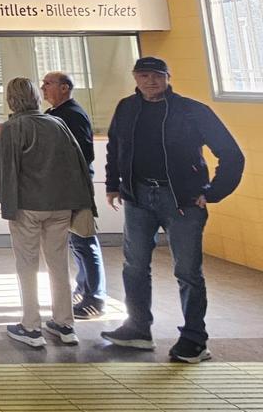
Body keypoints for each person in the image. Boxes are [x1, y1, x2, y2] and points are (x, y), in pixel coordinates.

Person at [102, 56, 245, 364]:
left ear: (168, 77)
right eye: (143, 76)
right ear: (135, 78)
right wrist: (113, 184)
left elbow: (232, 154)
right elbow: (116, 147)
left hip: (182, 201)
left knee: (187, 271)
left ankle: (195, 338)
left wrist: (213, 192)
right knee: (134, 266)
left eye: (156, 76)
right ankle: (138, 328)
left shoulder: (192, 111)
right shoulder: (127, 108)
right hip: (138, 198)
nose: (150, 81)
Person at [0, 78, 96, 349]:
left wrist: (0, 201)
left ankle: (31, 325)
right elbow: (78, 163)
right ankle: (64, 323)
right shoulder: (57, 124)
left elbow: (1, 168)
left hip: (27, 206)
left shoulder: (13, 128)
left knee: (27, 265)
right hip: (61, 205)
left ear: (11, 99)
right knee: (59, 264)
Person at [41, 70, 106, 320]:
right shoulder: (53, 114)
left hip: (74, 185)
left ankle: (95, 297)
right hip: (60, 185)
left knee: (84, 237)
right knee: (74, 240)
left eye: (48, 84)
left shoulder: (73, 115)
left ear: (65, 87)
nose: (43, 88)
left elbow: (83, 153)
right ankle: (83, 287)